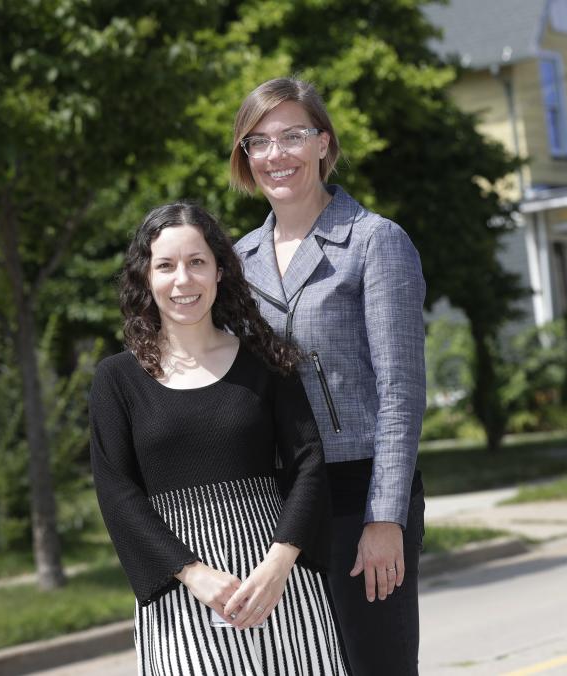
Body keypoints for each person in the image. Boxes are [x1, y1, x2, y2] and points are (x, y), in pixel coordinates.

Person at [89, 202, 348, 675]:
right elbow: (117, 493)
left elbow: (307, 463)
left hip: (279, 581)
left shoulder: (265, 360)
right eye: (165, 266)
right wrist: (193, 573)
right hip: (181, 593)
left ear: (220, 272)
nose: (182, 280)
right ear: (145, 277)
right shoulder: (116, 379)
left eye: (197, 262)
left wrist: (279, 565)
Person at [230, 77, 427, 675]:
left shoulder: (374, 242)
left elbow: (401, 392)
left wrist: (385, 518)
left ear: (323, 143)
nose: (276, 154)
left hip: (359, 492)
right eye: (258, 142)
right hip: (278, 506)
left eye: (293, 135)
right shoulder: (236, 261)